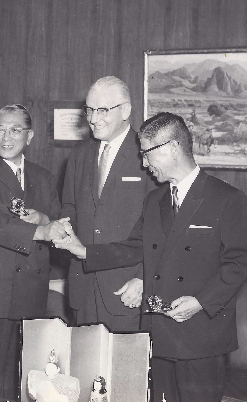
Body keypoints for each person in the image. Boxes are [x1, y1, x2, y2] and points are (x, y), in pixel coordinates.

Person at [54, 112, 247, 402]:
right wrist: (82, 250)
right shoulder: (155, 200)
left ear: (173, 148)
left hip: (200, 335)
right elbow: (133, 247)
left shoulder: (227, 199)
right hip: (157, 332)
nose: (144, 164)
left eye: (147, 154)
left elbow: (238, 264)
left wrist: (200, 302)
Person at [0, 104, 68, 402]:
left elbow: (58, 222)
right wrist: (39, 232)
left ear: (29, 136)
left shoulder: (43, 177)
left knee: (21, 376)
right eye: (0, 129)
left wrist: (46, 221)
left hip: (30, 291)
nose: (6, 137)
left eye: (15, 129)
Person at [61, 76, 156, 332]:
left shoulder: (147, 153)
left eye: (103, 110)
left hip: (127, 290)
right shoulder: (79, 155)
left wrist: (144, 278)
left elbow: (164, 227)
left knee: (123, 371)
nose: (93, 119)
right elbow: (69, 208)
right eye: (89, 109)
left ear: (125, 111)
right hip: (83, 288)